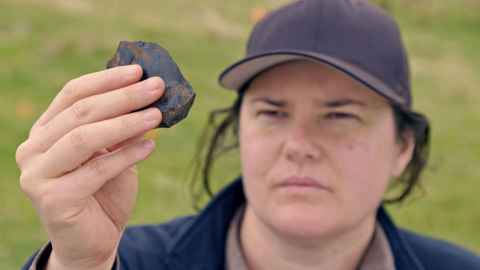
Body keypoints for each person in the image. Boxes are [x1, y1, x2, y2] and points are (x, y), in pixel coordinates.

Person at [18, 0, 480, 269]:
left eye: (340, 116)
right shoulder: (126, 262)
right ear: (239, 128)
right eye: (272, 112)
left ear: (403, 147)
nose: (299, 145)